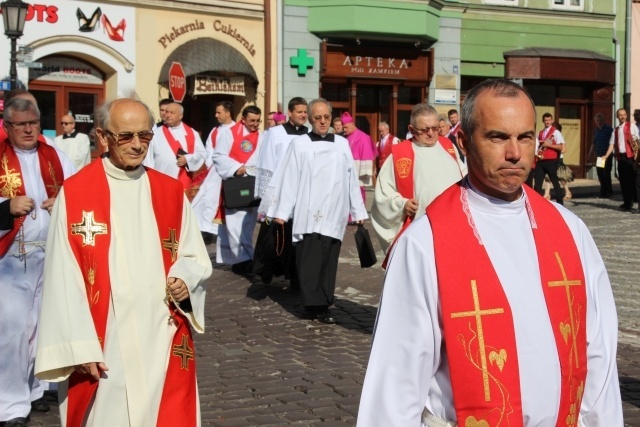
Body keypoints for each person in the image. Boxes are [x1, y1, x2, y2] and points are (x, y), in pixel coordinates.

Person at [357, 78, 622, 426]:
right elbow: (396, 380)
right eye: (497, 137)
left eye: (525, 137)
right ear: (464, 142)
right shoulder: (426, 242)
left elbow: (598, 352)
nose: (514, 152)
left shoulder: (570, 230)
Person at [35, 98, 212, 427]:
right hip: (105, 338)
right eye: (125, 136)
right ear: (102, 137)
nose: (137, 145)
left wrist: (185, 279)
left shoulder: (170, 191)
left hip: (162, 333)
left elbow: (194, 256)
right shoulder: (76, 193)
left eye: (144, 136)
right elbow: (62, 275)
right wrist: (80, 346)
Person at [0, 97, 76, 426]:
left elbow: (77, 192)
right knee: (13, 330)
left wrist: (63, 200)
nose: (29, 129)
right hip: (12, 257)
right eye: (20, 124)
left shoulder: (55, 156)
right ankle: (10, 406)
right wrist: (6, 207)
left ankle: (35, 389)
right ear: (7, 127)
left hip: (50, 253)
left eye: (33, 122)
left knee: (43, 327)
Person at [267, 98, 368, 324]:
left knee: (328, 260)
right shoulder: (300, 143)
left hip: (334, 211)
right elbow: (289, 177)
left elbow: (351, 178)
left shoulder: (341, 144)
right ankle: (311, 304)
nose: (322, 122)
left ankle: (323, 305)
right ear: (311, 119)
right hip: (308, 210)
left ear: (331, 119)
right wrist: (282, 211)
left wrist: (358, 211)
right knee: (309, 259)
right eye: (317, 118)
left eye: (326, 117)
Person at [371, 103, 466, 253]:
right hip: (421, 232)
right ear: (411, 130)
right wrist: (403, 204)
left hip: (454, 227)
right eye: (425, 129)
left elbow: (464, 176)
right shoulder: (400, 154)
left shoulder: (448, 146)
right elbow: (383, 195)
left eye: (435, 128)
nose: (431, 133)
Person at [254, 97, 308, 284]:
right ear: (290, 113)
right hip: (277, 189)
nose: (303, 115)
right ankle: (266, 272)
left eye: (305, 112)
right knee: (272, 234)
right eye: (299, 111)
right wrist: (265, 194)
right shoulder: (275, 133)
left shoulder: (309, 135)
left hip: (300, 191)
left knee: (296, 234)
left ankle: (294, 274)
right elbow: (266, 161)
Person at [213, 105, 264, 274]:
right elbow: (218, 156)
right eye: (252, 121)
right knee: (235, 225)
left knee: (248, 225)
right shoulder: (229, 133)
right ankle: (243, 260)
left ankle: (244, 259)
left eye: (258, 121)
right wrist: (236, 167)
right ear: (243, 119)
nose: (255, 124)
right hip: (235, 183)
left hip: (253, 183)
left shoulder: (263, 137)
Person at [191, 101, 236, 244]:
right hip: (213, 171)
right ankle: (204, 229)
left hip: (229, 171)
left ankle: (215, 230)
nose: (216, 115)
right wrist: (210, 165)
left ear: (228, 113)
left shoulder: (236, 130)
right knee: (205, 199)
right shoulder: (215, 130)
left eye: (219, 112)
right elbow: (209, 148)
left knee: (217, 200)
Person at [143, 101, 206, 195]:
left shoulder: (192, 133)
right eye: (166, 112)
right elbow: (148, 159)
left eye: (171, 113)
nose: (167, 115)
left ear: (180, 116)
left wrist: (188, 159)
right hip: (161, 181)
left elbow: (202, 154)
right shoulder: (155, 133)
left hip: (183, 181)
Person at [342, 112, 376, 206]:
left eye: (346, 127)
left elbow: (367, 154)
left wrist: (365, 172)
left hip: (358, 167)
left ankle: (360, 214)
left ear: (352, 125)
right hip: (347, 168)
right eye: (343, 127)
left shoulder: (363, 137)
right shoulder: (345, 136)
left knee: (359, 191)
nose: (344, 130)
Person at [610, 108, 639, 211]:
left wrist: (636, 154)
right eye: (620, 115)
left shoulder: (632, 126)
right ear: (617, 117)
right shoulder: (616, 129)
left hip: (630, 157)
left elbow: (636, 141)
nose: (622, 117)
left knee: (632, 180)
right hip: (620, 157)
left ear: (626, 116)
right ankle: (627, 202)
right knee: (623, 181)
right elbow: (612, 144)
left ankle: (632, 201)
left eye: (624, 115)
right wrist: (606, 155)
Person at [534, 112, 565, 205]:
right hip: (541, 160)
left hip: (551, 160)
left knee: (555, 181)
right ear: (543, 121)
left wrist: (549, 145)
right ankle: (537, 202)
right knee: (537, 183)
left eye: (549, 120)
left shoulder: (556, 132)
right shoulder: (540, 133)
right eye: (546, 120)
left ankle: (560, 201)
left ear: (551, 121)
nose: (547, 122)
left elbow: (561, 147)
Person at [588, 113, 614, 198]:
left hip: (607, 155)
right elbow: (593, 143)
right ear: (596, 121)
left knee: (606, 174)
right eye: (598, 121)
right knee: (600, 174)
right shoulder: (596, 131)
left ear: (604, 120)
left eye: (601, 120)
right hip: (599, 156)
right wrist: (590, 154)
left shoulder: (609, 129)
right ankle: (603, 191)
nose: (599, 122)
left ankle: (609, 191)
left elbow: (613, 142)